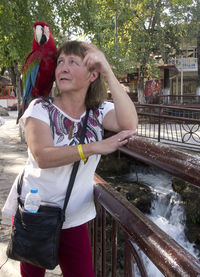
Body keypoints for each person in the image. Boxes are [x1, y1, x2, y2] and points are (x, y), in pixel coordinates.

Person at [2, 40, 138, 277]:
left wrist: (106, 67)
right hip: (35, 214)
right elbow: (42, 156)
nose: (62, 68)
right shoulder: (40, 108)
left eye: (73, 62)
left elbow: (130, 124)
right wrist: (95, 147)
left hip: (74, 216)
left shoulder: (99, 111)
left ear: (92, 75)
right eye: (60, 62)